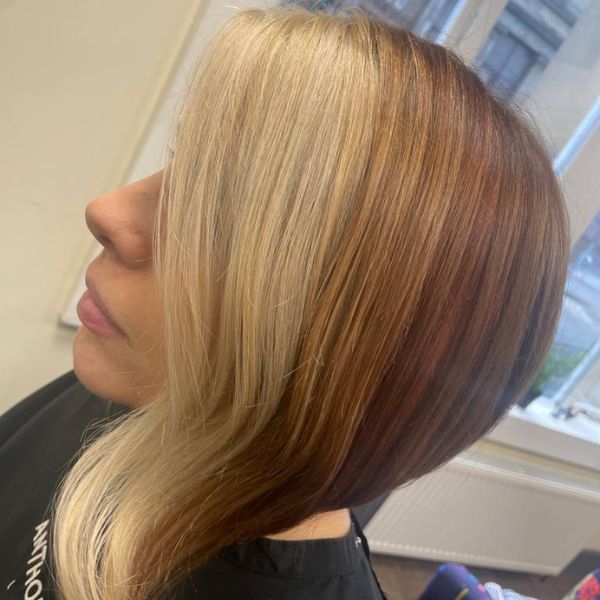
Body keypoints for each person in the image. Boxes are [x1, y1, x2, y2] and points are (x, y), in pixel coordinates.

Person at [0, 3, 570, 599]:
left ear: (352, 349)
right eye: (185, 167)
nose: (108, 211)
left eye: (225, 213)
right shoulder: (145, 379)